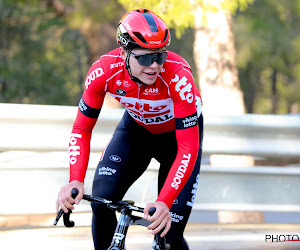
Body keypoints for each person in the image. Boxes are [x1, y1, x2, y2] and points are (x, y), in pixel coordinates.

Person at [56, 8, 203, 250]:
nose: (154, 65)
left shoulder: (178, 76)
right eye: (145, 58)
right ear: (124, 52)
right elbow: (81, 129)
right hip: (136, 132)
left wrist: (164, 201)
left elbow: (188, 147)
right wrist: (75, 180)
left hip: (178, 142)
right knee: (101, 202)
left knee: (167, 234)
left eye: (160, 56)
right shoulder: (104, 71)